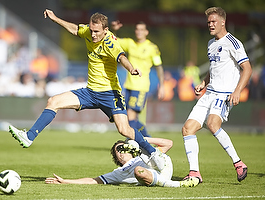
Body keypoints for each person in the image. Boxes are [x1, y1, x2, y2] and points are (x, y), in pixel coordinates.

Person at [8, 9, 166, 172]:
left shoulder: (110, 43)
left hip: (110, 94)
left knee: (124, 129)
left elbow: (122, 57)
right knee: (53, 101)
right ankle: (29, 137)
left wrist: (131, 69)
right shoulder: (88, 32)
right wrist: (55, 18)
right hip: (90, 92)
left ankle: (154, 154)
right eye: (91, 30)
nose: (93, 34)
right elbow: (76, 29)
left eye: (97, 31)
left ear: (105, 30)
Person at [181, 7, 252, 183]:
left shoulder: (233, 43)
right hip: (209, 94)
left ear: (223, 22)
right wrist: (203, 83)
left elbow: (247, 69)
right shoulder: (211, 43)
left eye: (213, 22)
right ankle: (194, 172)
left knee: (213, 124)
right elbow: (213, 70)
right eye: (208, 22)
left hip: (224, 95)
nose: (210, 25)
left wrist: (237, 91)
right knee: (187, 129)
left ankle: (238, 163)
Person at [45, 138, 199, 188]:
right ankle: (179, 185)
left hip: (161, 164)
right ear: (117, 158)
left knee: (146, 157)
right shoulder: (119, 172)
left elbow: (168, 143)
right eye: (118, 151)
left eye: (124, 148)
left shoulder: (140, 154)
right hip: (155, 177)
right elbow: (94, 180)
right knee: (139, 170)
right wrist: (65, 181)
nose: (121, 152)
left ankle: (145, 150)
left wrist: (139, 139)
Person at [111, 21, 165, 137]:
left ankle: (147, 140)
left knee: (130, 116)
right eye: (137, 29)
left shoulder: (151, 48)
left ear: (146, 32)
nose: (139, 32)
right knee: (128, 117)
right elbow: (113, 40)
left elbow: (159, 66)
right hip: (129, 85)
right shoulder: (130, 43)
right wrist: (114, 29)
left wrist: (162, 86)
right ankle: (142, 141)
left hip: (141, 86)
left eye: (141, 29)